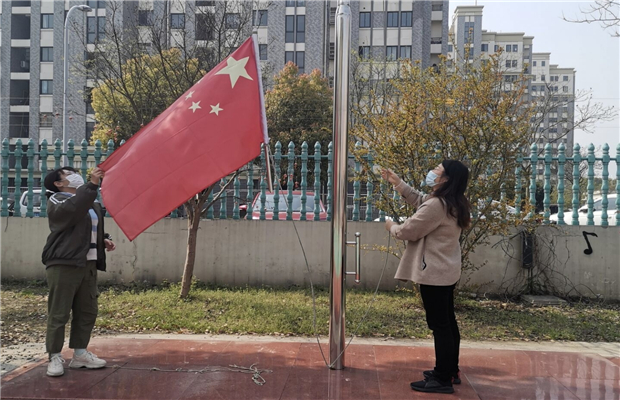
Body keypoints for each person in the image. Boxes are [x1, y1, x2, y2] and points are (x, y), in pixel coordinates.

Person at [381, 160, 471, 395]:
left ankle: (442, 379)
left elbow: (408, 230)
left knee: (440, 326)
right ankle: (450, 370)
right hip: (445, 271)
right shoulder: (453, 202)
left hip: (434, 274)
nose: (432, 173)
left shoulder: (438, 205)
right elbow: (421, 200)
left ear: (446, 179)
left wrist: (391, 227)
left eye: (437, 170)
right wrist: (398, 183)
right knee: (448, 323)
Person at [42, 166, 116, 377]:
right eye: (68, 174)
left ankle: (80, 354)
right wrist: (92, 185)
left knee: (87, 310)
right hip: (64, 264)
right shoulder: (57, 199)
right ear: (58, 183)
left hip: (88, 264)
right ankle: (54, 356)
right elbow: (71, 212)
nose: (75, 175)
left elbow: (86, 228)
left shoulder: (90, 202)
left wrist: (102, 240)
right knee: (59, 312)